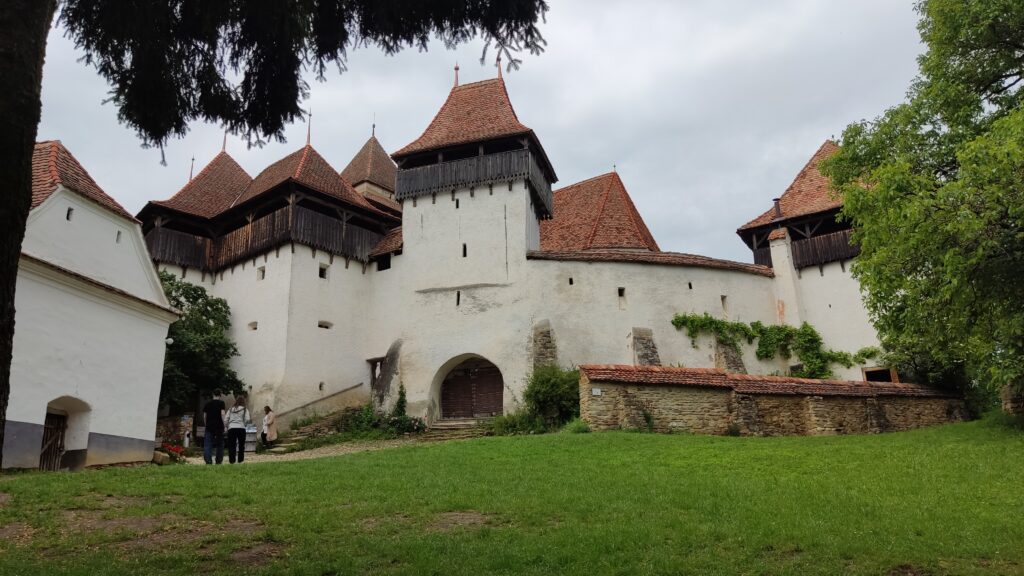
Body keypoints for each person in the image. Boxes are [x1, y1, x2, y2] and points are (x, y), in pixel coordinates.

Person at [225, 395, 251, 464]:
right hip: (241, 428)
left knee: (231, 445)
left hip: (231, 428)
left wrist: (228, 426)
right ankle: (240, 460)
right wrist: (244, 424)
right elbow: (248, 419)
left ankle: (232, 461)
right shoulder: (245, 409)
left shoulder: (231, 409)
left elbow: (226, 419)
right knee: (241, 445)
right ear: (243, 401)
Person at [202, 390, 226, 465]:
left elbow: (205, 416)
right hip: (219, 426)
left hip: (209, 426)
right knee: (220, 444)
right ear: (220, 395)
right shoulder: (221, 403)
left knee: (207, 444)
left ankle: (208, 461)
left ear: (213, 394)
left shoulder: (207, 404)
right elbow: (222, 414)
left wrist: (206, 424)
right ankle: (218, 460)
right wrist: (225, 425)